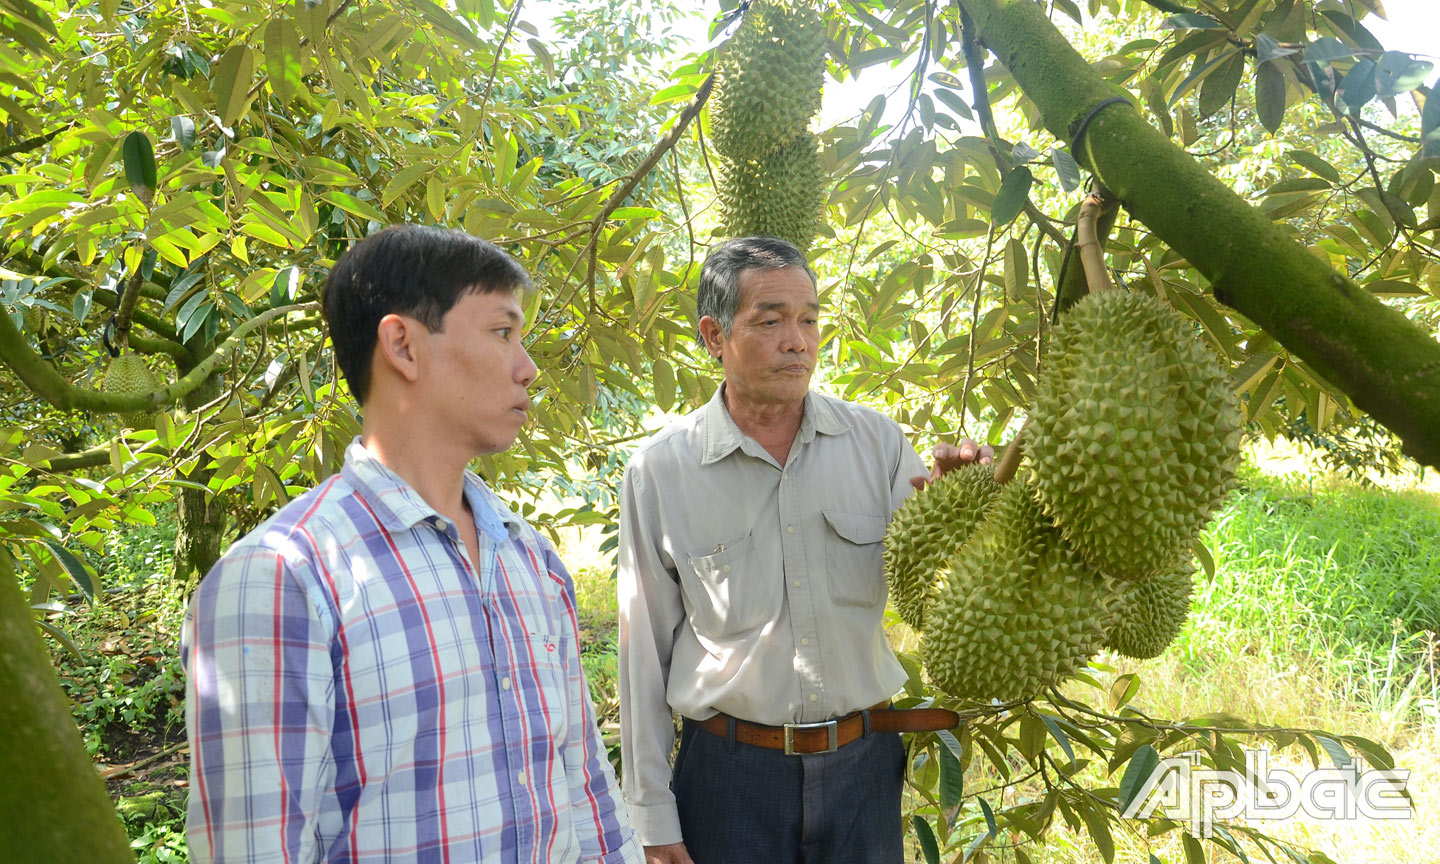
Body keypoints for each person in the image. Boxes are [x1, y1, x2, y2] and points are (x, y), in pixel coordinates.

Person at [182, 225, 643, 864]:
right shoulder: (283, 578)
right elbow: (256, 848)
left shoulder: (529, 559)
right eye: (503, 332)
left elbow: (585, 786)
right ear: (403, 345)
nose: (527, 367)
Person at [617, 236, 991, 864]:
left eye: (809, 319)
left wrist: (969, 506)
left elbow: (937, 580)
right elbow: (643, 658)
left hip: (862, 770)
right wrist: (653, 817)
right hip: (729, 775)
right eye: (770, 321)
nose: (798, 340)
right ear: (715, 336)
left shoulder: (877, 444)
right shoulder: (662, 471)